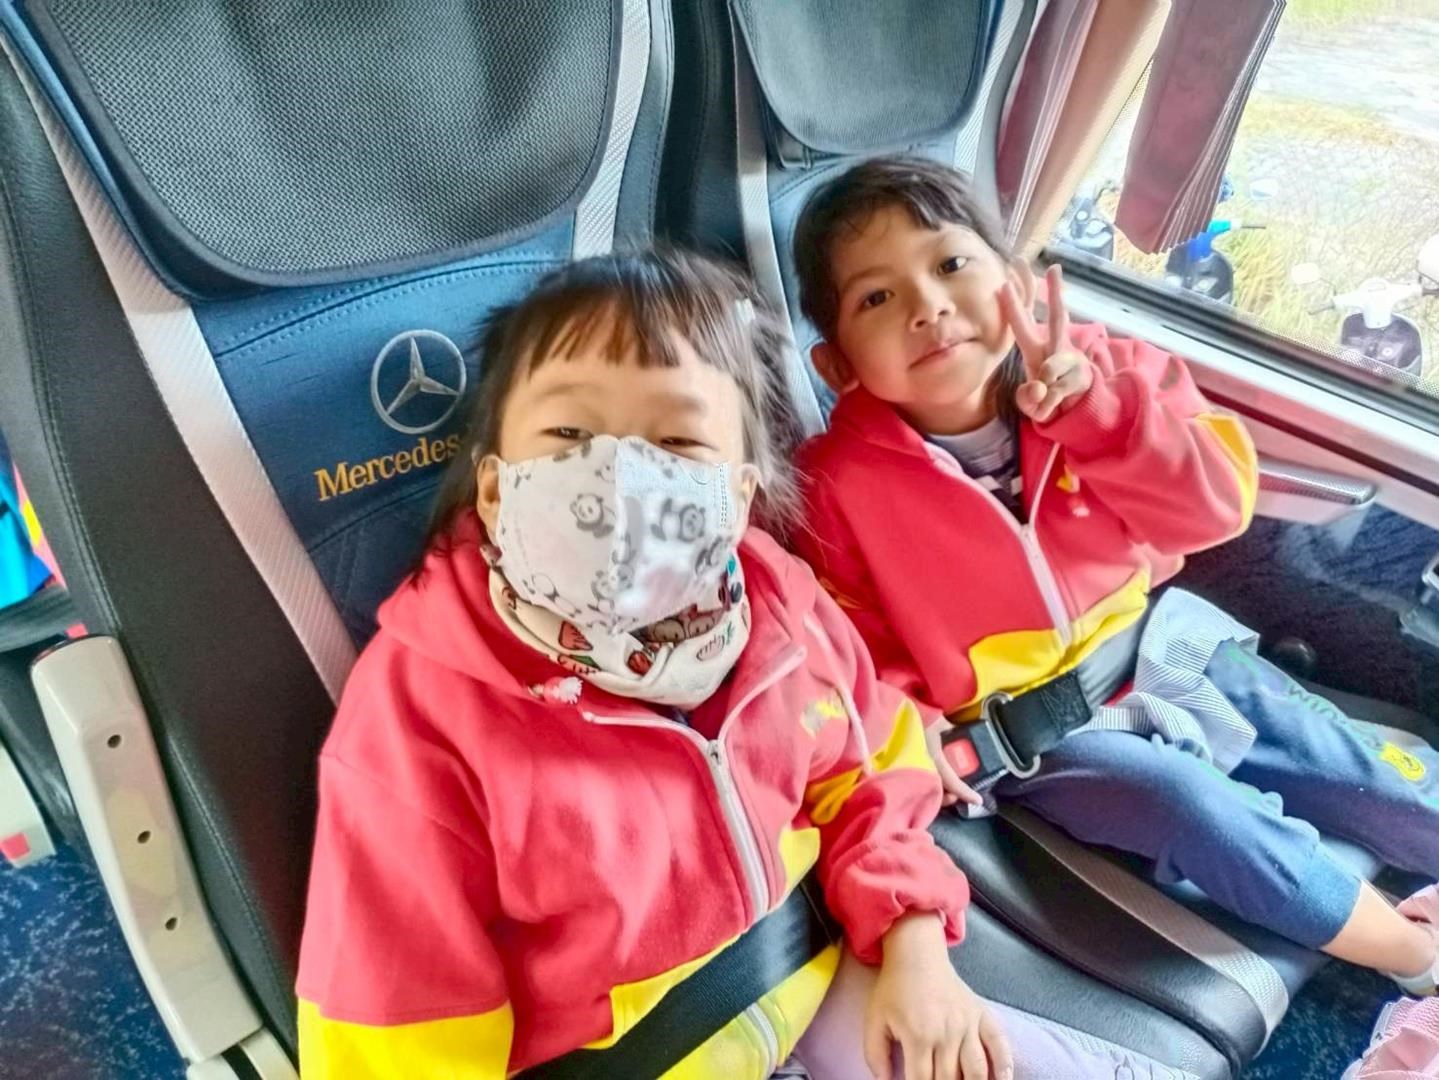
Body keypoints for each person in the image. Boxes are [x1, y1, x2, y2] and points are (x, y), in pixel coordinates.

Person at [298, 249, 1183, 1079]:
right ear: (495, 488)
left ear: (737, 497)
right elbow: (396, 1014)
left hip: (814, 969)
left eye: (678, 445)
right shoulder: (421, 712)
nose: (619, 478)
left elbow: (866, 770)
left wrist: (915, 948)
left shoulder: (774, 607)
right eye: (568, 433)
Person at [791, 155, 1439, 998]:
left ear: (1016, 284)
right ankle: (1413, 957)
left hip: (1158, 640)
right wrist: (912, 724)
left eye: (950, 263)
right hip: (1033, 731)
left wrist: (1095, 415)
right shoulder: (834, 486)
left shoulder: (1109, 370)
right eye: (875, 298)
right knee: (1189, 807)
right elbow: (849, 645)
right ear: (836, 366)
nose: (928, 306)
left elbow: (1212, 510)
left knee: (1357, 769)